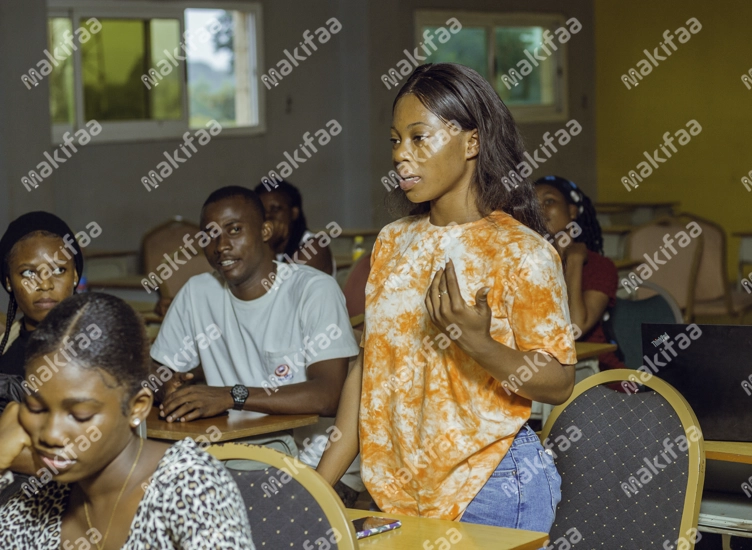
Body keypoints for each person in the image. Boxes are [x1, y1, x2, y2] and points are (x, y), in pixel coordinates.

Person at [317, 63, 577, 532]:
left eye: (420, 138)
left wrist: (479, 344)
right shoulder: (392, 242)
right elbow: (366, 370)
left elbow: (559, 382)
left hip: (491, 486)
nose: (402, 155)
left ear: (472, 142)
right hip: (396, 490)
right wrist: (318, 488)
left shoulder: (522, 251)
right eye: (396, 140)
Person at [150, 186, 363, 506]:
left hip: (317, 468)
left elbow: (329, 395)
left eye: (234, 230)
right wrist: (166, 385)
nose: (221, 245)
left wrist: (229, 396)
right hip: (231, 459)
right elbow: (157, 369)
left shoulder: (313, 290)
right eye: (209, 235)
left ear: (264, 231)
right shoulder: (198, 292)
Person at [0, 292, 254, 549]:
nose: (51, 434)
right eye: (36, 408)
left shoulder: (190, 486)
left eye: (80, 415)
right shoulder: (44, 495)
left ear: (137, 407)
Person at [534, 175, 626, 372]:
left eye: (549, 201)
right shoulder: (528, 265)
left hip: (594, 373)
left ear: (572, 211)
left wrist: (574, 262)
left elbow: (574, 328)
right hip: (542, 369)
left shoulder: (599, 266)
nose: (540, 210)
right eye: (533, 205)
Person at [0, 212, 83, 381]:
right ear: (9, 282)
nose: (45, 285)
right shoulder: (5, 357)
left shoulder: (102, 347)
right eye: (29, 273)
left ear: (75, 275)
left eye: (59, 270)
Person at [254, 180, 336, 276]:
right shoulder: (256, 247)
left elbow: (285, 287)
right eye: (262, 211)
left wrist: (268, 247)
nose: (267, 216)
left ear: (294, 213)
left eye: (275, 209)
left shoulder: (314, 247)